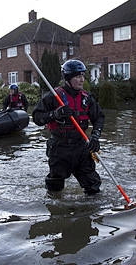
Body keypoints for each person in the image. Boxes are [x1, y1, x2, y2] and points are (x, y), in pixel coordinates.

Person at [32, 60, 105, 195]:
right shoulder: (54, 96)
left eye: (83, 76)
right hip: (59, 147)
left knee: (93, 185)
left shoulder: (87, 98)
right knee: (55, 187)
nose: (82, 79)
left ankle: (92, 212)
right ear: (68, 78)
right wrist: (55, 114)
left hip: (81, 146)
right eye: (78, 76)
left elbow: (99, 117)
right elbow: (37, 117)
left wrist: (95, 136)